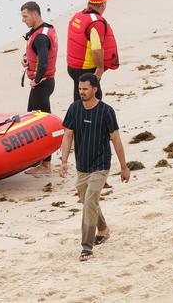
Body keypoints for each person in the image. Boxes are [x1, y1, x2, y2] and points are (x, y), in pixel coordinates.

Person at [59, 73, 130, 261]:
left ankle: (87, 247)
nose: (81, 92)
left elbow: (115, 139)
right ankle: (104, 229)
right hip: (82, 165)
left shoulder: (106, 111)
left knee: (90, 201)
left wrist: (124, 167)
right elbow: (67, 135)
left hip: (100, 164)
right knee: (87, 200)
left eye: (85, 89)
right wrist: (64, 161)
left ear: (95, 89)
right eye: (80, 89)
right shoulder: (74, 108)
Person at [20, 1, 58, 175]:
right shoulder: (41, 31)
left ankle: (45, 165)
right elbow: (37, 54)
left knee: (38, 124)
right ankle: (43, 162)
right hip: (45, 83)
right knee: (35, 120)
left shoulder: (41, 37)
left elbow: (43, 62)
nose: (23, 20)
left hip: (42, 84)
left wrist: (35, 79)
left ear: (35, 14)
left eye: (25, 16)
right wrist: (26, 60)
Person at [66, 0, 119, 101]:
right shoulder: (96, 23)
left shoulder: (78, 16)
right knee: (94, 100)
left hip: (72, 67)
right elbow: (96, 49)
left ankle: (77, 117)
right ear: (103, 4)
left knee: (79, 98)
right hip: (86, 70)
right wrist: (99, 69)